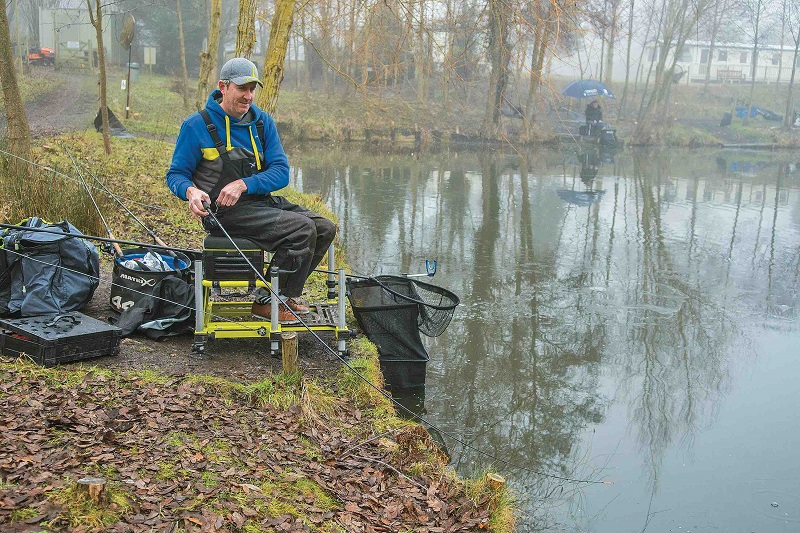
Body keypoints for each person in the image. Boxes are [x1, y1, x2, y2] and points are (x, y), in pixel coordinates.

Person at [166, 57, 336, 323]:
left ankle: (284, 296)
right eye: (242, 89)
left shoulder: (262, 123)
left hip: (261, 203)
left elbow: (281, 172)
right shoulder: (196, 125)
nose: (248, 96)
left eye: (252, 89)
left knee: (324, 227)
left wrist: (245, 183)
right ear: (223, 86)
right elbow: (176, 174)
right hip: (224, 213)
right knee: (301, 229)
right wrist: (190, 192)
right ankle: (266, 303)